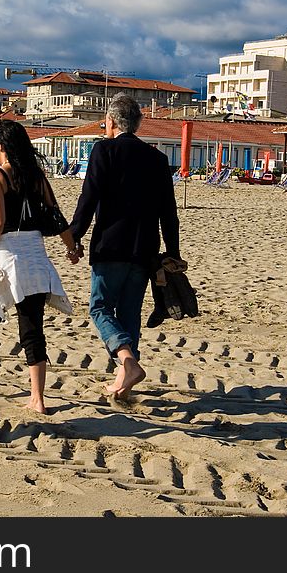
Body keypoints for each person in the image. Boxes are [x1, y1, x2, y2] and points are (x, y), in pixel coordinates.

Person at [0, 119, 79, 414]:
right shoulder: (37, 177)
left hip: (5, 255)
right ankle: (37, 399)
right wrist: (71, 246)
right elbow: (56, 215)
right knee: (32, 327)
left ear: (0, 147)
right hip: (35, 256)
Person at [68, 93, 181, 400]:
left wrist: (74, 235)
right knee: (129, 313)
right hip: (144, 250)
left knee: (100, 306)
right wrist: (173, 252)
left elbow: (88, 197)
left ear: (111, 122)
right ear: (139, 123)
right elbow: (168, 212)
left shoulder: (104, 150)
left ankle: (127, 361)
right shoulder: (158, 159)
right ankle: (124, 383)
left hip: (111, 246)